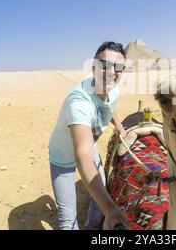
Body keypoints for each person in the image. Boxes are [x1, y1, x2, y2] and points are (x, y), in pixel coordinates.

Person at [48, 41, 130, 230]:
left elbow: (110, 106)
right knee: (67, 220)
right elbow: (82, 157)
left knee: (97, 196)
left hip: (88, 145)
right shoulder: (79, 104)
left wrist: (119, 126)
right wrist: (111, 209)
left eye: (118, 67)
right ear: (94, 67)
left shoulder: (113, 89)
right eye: (105, 65)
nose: (111, 72)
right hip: (63, 158)